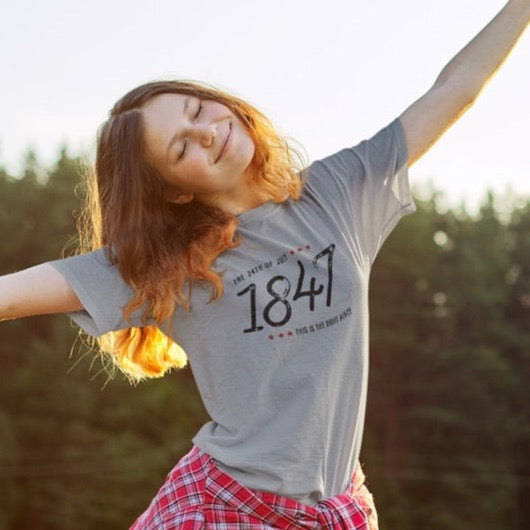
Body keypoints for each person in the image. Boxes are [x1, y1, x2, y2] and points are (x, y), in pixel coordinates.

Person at [1, 1, 528, 528]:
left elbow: (453, 90)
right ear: (177, 193)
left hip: (337, 505)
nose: (206, 132)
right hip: (226, 509)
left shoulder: (335, 195)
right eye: (182, 147)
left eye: (197, 109)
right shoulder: (165, 264)